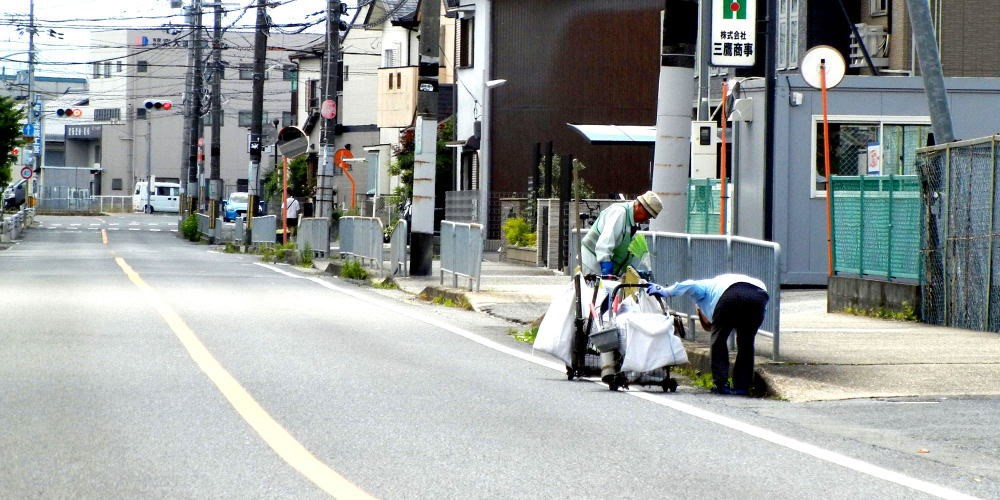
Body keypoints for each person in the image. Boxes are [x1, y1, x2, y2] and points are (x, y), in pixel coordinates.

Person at [646, 273, 769, 396]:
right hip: (759, 296)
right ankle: (742, 386)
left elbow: (690, 284)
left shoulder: (704, 292)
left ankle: (721, 384)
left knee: (718, 341)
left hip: (730, 295)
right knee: (746, 343)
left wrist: (666, 291)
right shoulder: (720, 284)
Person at [580, 190, 662, 276]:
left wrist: (632, 271)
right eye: (647, 214)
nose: (646, 219)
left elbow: (623, 251)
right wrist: (606, 264)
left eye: (650, 217)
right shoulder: (620, 213)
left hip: (600, 266)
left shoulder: (631, 223)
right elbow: (605, 243)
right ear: (639, 206)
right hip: (591, 264)